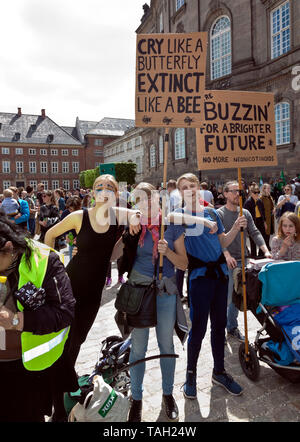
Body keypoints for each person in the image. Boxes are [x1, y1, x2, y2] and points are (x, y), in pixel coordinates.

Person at [44, 174, 140, 420]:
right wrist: (52, 266)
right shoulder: (80, 216)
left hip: (93, 293)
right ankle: (57, 406)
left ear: (116, 193)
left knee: (76, 342)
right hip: (69, 287)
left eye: (110, 187)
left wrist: (132, 226)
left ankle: (63, 389)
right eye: (100, 186)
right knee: (64, 345)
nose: (105, 190)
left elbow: (117, 241)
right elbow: (49, 235)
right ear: (93, 192)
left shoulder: (116, 215)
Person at [169, 173, 246, 399]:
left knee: (219, 326)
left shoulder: (213, 212)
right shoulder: (181, 215)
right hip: (200, 278)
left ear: (198, 187)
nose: (189, 189)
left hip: (220, 276)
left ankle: (219, 372)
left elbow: (221, 241)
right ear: (180, 192)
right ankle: (191, 374)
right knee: (199, 328)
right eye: (183, 187)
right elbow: (170, 215)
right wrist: (201, 221)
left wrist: (236, 229)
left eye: (192, 185)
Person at [118, 182, 188, 422]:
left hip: (164, 291)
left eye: (151, 198)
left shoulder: (171, 225)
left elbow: (184, 264)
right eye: (141, 199)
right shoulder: (135, 226)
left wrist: (167, 252)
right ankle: (136, 399)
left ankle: (167, 395)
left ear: (159, 199)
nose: (147, 203)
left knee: (166, 345)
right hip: (138, 292)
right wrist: (129, 229)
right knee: (138, 348)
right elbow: (115, 256)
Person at [0, 212, 75, 422]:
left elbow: (65, 312)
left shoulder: (44, 260)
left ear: (7, 249)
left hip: (27, 370)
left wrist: (16, 321)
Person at [217, 181, 272, 341]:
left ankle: (268, 326)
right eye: (234, 191)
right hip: (228, 261)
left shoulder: (245, 213)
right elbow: (218, 239)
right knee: (232, 296)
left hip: (245, 259)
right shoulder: (219, 214)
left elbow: (255, 233)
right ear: (225, 193)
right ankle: (230, 326)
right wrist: (226, 255)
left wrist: (266, 251)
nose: (237, 194)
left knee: (253, 293)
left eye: (239, 191)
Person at [244, 184, 268, 258]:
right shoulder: (248, 202)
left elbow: (263, 212)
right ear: (251, 193)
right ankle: (253, 255)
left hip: (260, 220)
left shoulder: (259, 201)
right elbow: (246, 214)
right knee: (253, 239)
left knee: (262, 237)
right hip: (252, 222)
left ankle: (261, 254)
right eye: (255, 192)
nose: (257, 194)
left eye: (258, 192)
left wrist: (265, 222)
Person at [60, 195, 82, 260]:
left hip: (83, 242)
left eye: (76, 210)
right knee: (73, 261)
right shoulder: (65, 214)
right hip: (72, 241)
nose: (73, 212)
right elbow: (62, 227)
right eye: (70, 209)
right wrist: (66, 234)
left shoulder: (85, 213)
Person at [260, 183, 275, 249]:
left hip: (270, 217)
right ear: (264, 189)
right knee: (265, 233)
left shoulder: (270, 197)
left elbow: (272, 206)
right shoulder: (261, 198)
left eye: (269, 188)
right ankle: (265, 246)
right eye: (267, 188)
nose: (269, 190)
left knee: (269, 232)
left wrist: (274, 209)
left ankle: (267, 245)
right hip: (265, 218)